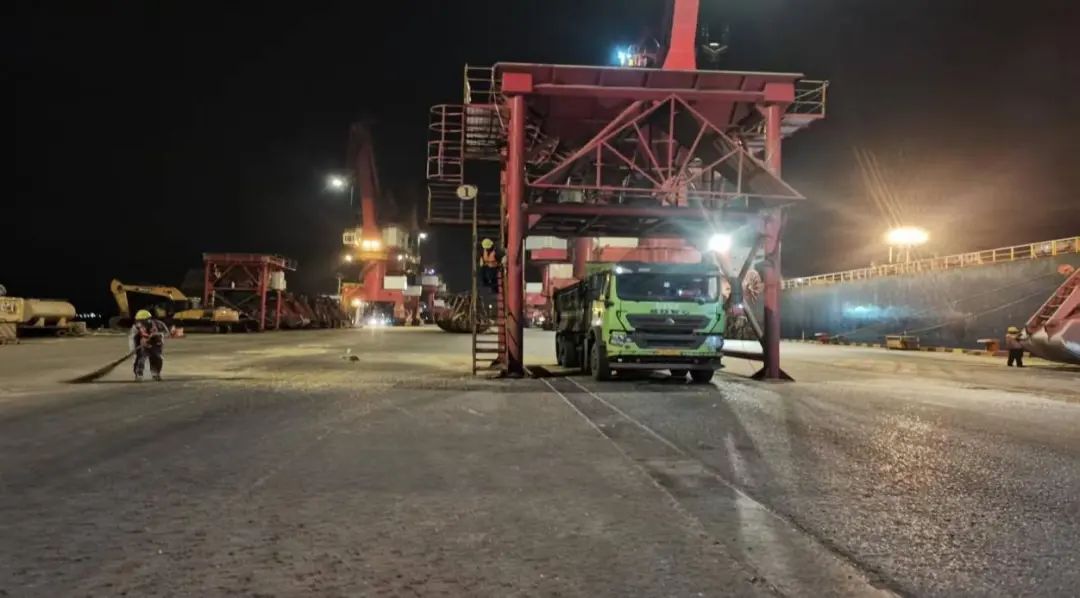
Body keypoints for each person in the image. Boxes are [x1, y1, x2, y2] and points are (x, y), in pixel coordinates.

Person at [129, 309, 169, 381]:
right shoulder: (136, 327)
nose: (140, 322)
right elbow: (133, 338)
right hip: (142, 345)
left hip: (156, 344)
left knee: (157, 358)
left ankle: (155, 373)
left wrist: (157, 334)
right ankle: (139, 374)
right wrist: (135, 348)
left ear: (148, 319)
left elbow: (166, 333)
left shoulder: (159, 324)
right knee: (140, 358)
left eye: (142, 320)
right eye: (138, 320)